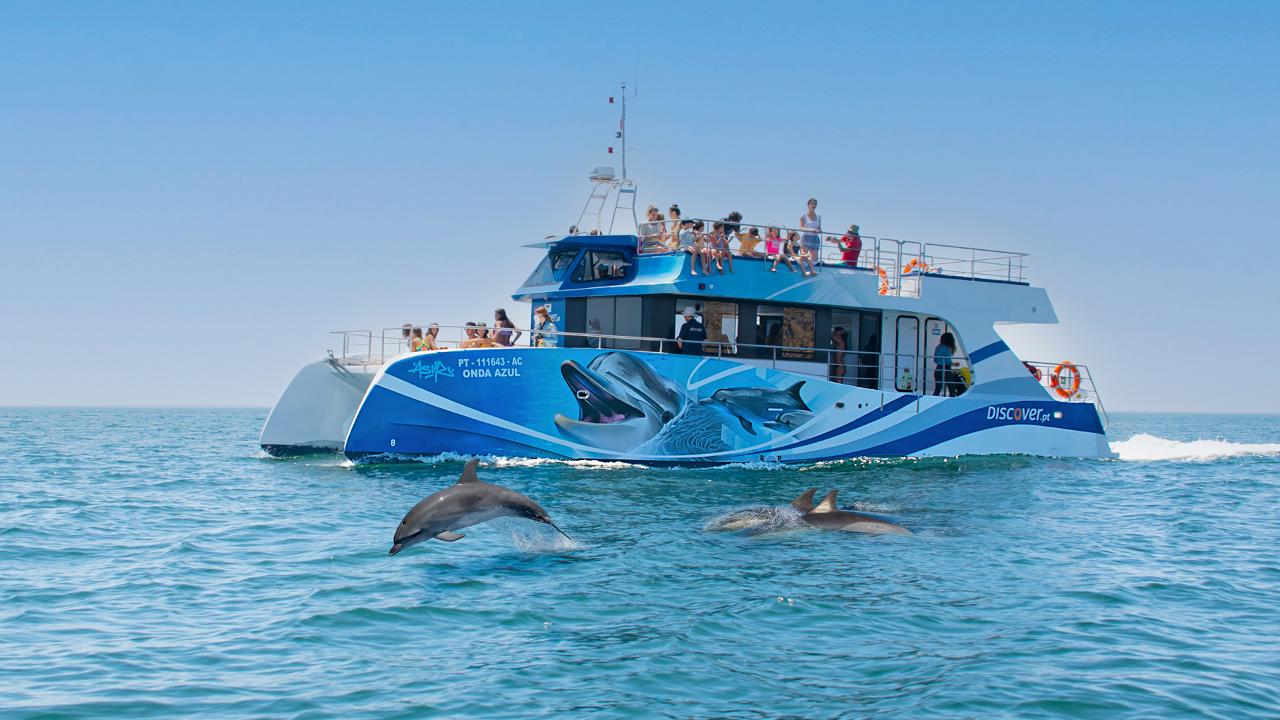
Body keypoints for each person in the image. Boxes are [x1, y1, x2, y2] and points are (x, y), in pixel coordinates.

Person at [932, 331, 962, 397]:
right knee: (952, 388)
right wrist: (953, 364)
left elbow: (935, 360)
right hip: (946, 369)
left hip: (938, 369)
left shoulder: (938, 347)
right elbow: (947, 360)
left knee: (937, 389)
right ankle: (951, 403)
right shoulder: (947, 348)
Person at [800, 197, 822, 268]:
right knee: (804, 258)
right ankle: (803, 273)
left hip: (815, 238)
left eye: (815, 204)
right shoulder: (803, 216)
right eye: (812, 204)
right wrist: (811, 230)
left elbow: (819, 228)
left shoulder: (819, 216)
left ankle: (813, 273)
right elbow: (801, 228)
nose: (814, 205)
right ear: (808, 205)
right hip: (806, 237)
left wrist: (819, 230)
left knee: (814, 259)